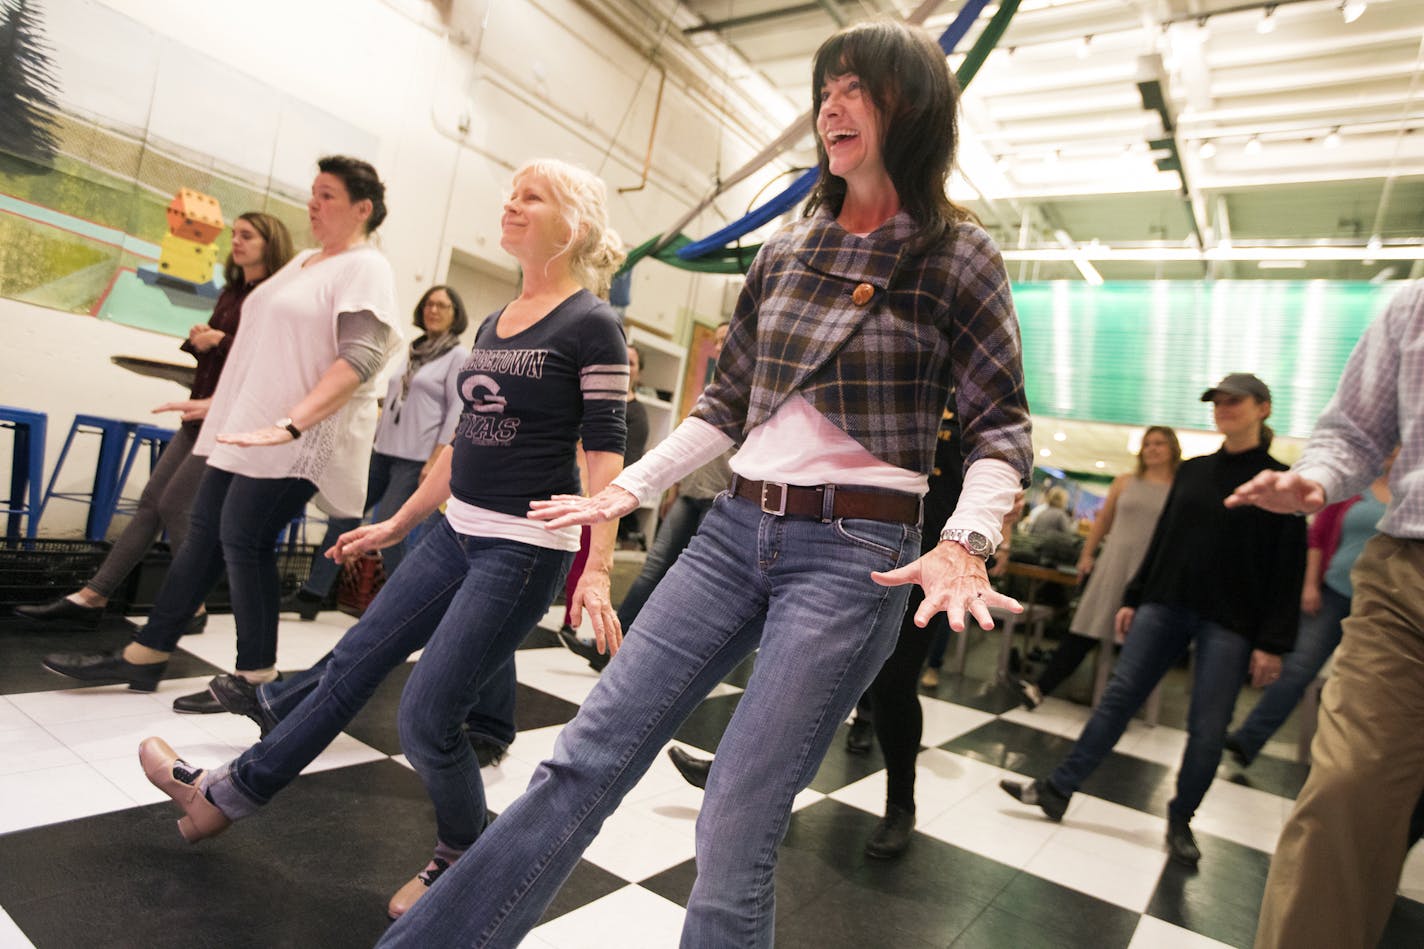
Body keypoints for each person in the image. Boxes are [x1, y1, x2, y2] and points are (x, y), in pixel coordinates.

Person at [380, 20, 1032, 947]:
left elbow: (1001, 425)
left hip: (857, 556)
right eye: (827, 87)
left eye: (860, 87)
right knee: (581, 761)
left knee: (737, 815)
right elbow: (725, 408)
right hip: (732, 530)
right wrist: (623, 490)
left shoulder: (956, 255)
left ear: (915, 106)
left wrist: (965, 541)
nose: (833, 104)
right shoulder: (783, 252)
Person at [136, 157, 630, 923]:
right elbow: (463, 440)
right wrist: (400, 521)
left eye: (530, 197)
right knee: (346, 668)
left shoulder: (593, 323)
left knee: (427, 718)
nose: (510, 205)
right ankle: (219, 797)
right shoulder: (497, 321)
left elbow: (605, 450)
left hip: (524, 549)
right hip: (454, 531)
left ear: (576, 224)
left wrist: (596, 566)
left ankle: (464, 852)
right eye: (510, 193)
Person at [42, 156, 402, 710]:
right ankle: (148, 654)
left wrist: (291, 422)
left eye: (327, 195)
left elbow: (361, 358)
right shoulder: (306, 261)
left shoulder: (365, 267)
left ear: (363, 208)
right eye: (312, 193)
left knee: (245, 541)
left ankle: (256, 678)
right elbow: (263, 351)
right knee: (203, 536)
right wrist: (217, 402)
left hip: (295, 439)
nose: (313, 204)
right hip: (244, 428)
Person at [1001, 373, 1307, 870]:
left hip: (1231, 620)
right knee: (1117, 699)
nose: (1224, 407)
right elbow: (1164, 539)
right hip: (1164, 604)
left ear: (1263, 408)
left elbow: (1288, 567)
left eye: (1236, 400)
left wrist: (1273, 642)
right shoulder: (1194, 472)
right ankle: (1057, 789)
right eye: (1218, 401)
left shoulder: (1277, 480)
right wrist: (1135, 595)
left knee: (1207, 727)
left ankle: (1181, 820)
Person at [1225, 282, 1421, 949]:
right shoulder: (1412, 306)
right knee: (1345, 791)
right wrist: (1319, 478)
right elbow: (1355, 433)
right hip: (1402, 581)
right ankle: (1247, 739)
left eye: (1233, 398)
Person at [17, 213, 294, 632]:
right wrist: (203, 340)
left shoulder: (274, 298)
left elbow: (270, 363)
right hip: (200, 410)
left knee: (173, 506)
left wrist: (222, 341)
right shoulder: (234, 292)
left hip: (231, 419)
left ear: (270, 243)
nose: (236, 242)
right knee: (152, 503)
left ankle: (188, 603)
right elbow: (224, 358)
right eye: (234, 235)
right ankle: (94, 595)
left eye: (247, 236)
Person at [282, 284, 470, 620]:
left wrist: (437, 459)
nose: (433, 310)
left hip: (416, 458)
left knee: (391, 530)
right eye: (429, 304)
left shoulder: (458, 357)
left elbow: (457, 411)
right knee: (344, 514)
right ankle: (312, 595)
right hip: (383, 451)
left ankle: (404, 608)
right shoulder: (414, 350)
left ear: (456, 314)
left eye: (442, 305)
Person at [558, 322, 733, 672]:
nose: (720, 345)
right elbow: (686, 447)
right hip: (689, 493)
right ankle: (609, 645)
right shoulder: (711, 389)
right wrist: (671, 490)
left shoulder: (755, 388)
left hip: (724, 499)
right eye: (716, 340)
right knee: (653, 569)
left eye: (726, 337)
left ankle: (666, 658)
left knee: (698, 585)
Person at [1225, 456, 1392, 767]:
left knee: (1369, 686)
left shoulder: (1412, 497)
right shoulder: (1355, 488)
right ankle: (1249, 738)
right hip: (1333, 593)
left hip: (1382, 606)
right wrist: (1310, 584)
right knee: (1297, 668)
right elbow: (1317, 538)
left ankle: (1351, 765)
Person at [1012, 426, 1180, 709]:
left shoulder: (1179, 487)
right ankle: (1041, 687)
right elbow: (1103, 522)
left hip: (1153, 568)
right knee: (1085, 627)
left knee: (1141, 639)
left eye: (1159, 443)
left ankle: (1122, 703)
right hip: (1114, 562)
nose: (1152, 448)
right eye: (1148, 443)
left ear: (1172, 448)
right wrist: (1086, 555)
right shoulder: (1125, 482)